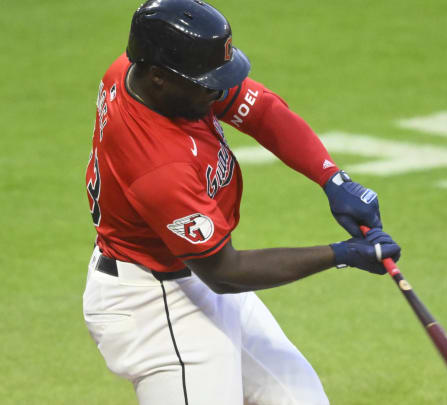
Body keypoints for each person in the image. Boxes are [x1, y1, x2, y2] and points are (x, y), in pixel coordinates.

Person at [82, 0, 401, 404]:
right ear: (160, 77)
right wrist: (341, 254)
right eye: (206, 81)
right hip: (156, 308)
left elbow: (262, 111)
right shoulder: (158, 166)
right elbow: (225, 271)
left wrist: (332, 178)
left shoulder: (146, 73)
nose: (218, 90)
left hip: (192, 275)